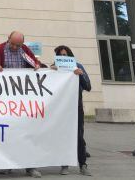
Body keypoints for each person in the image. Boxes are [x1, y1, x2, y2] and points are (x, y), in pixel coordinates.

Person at [0, 32, 42, 178]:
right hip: (4, 100)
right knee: (8, 132)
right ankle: (8, 164)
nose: (15, 47)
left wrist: (37, 66)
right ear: (8, 39)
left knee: (26, 132)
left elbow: (35, 63)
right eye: (12, 44)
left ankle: (30, 166)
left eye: (18, 45)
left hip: (22, 99)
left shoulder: (24, 50)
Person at [54, 45, 92, 176]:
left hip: (76, 107)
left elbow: (88, 86)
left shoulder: (78, 66)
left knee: (79, 137)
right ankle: (64, 164)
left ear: (70, 56)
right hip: (61, 109)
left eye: (65, 55)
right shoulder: (54, 68)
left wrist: (79, 75)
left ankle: (83, 164)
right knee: (63, 136)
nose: (63, 58)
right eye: (60, 56)